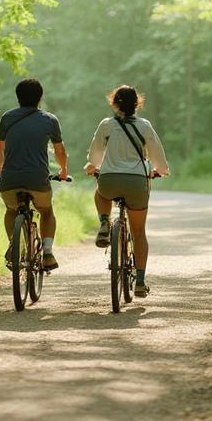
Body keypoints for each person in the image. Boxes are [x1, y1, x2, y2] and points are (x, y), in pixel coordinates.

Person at [84, 85, 170, 297]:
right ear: (137, 104)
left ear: (114, 103)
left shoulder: (106, 124)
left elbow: (95, 153)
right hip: (136, 182)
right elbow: (157, 154)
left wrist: (92, 166)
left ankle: (105, 222)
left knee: (100, 192)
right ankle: (139, 281)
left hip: (109, 180)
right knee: (138, 232)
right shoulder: (145, 126)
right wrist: (160, 170)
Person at [0, 78, 68, 271]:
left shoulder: (7, 117)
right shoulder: (49, 120)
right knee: (46, 211)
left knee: (11, 210)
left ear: (18, 97)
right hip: (37, 180)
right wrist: (63, 170)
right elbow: (59, 150)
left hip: (10, 180)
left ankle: (14, 245)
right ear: (40, 97)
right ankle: (48, 252)